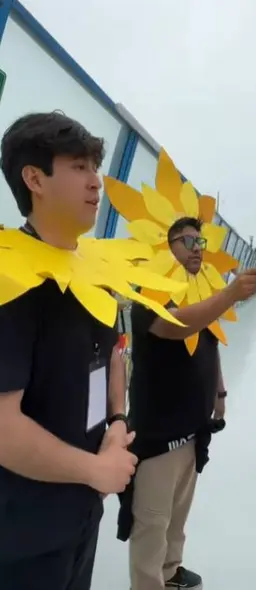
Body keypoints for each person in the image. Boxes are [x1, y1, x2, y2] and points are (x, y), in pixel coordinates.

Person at [0, 113, 152, 589]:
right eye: (80, 167)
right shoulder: (12, 282)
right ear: (34, 178)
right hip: (24, 534)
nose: (96, 182)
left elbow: (113, 355)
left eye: (96, 167)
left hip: (83, 513)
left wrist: (117, 422)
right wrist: (97, 468)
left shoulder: (93, 273)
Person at [120, 216, 256, 590]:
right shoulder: (148, 295)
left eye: (201, 242)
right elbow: (177, 325)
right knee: (152, 520)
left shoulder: (199, 294)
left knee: (178, 514)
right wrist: (230, 295)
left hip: (192, 429)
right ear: (167, 248)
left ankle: (170, 572)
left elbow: (209, 340)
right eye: (189, 241)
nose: (199, 249)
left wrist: (219, 392)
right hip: (158, 434)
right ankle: (148, 583)